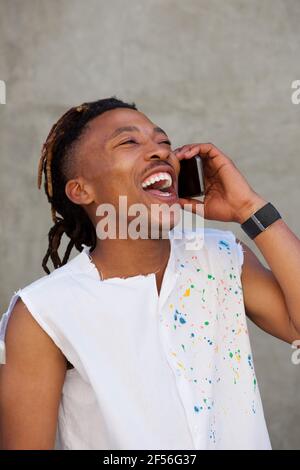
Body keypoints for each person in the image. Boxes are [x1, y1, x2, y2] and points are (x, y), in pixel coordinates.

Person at [0, 97, 299, 450]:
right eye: (129, 142)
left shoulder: (221, 257)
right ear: (81, 190)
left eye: (164, 142)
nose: (160, 152)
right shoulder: (44, 312)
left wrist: (250, 209)